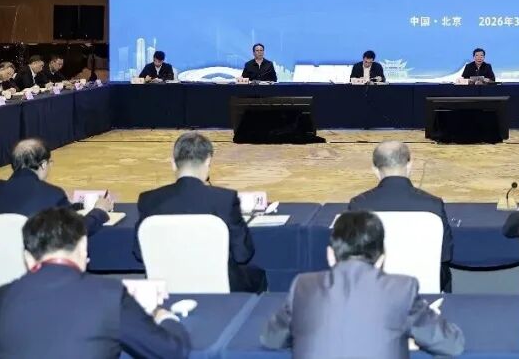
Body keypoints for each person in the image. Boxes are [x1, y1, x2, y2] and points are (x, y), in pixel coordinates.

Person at [0, 208, 190, 359]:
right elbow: (172, 352)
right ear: (83, 248)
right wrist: (165, 317)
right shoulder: (110, 295)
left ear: (28, 257)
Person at [260, 211, 464, 358]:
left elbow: (271, 338)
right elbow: (452, 344)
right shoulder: (402, 289)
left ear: (330, 255)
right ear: (381, 258)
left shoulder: (303, 286)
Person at [135, 131, 266, 293]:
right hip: (220, 289)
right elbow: (243, 254)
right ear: (208, 162)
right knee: (256, 275)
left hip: (166, 287)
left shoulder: (148, 200)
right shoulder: (225, 199)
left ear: (173, 163)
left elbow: (139, 253)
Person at [348, 141, 453, 290]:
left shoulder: (358, 205)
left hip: (374, 289)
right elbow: (445, 255)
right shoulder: (433, 205)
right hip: (422, 290)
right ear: (409, 166)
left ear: (375, 170)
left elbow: (353, 256)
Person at [0, 138, 114, 234]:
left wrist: (77, 206)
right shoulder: (52, 194)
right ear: (43, 165)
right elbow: (75, 231)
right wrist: (99, 211)